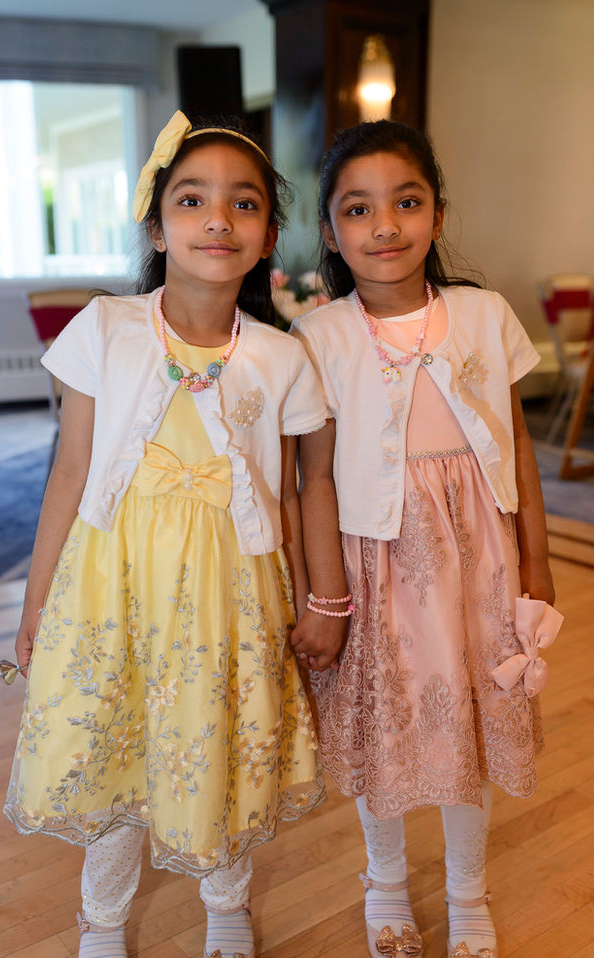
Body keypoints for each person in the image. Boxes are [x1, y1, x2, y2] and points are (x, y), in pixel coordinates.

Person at [3, 110, 348, 958]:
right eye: (192, 201)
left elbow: (299, 491)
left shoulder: (282, 357)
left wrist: (319, 599)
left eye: (243, 204)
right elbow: (72, 471)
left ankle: (227, 905)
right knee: (119, 748)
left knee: (219, 745)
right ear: (157, 226)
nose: (217, 220)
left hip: (234, 596)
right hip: (113, 586)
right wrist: (37, 597)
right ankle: (104, 919)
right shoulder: (107, 328)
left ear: (268, 233)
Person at [291, 120, 558, 958]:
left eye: (405, 202)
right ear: (331, 233)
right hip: (379, 563)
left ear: (436, 215)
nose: (385, 226)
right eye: (359, 210)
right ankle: (384, 887)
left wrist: (539, 563)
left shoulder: (482, 315)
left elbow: (515, 444)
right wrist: (327, 596)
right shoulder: (320, 336)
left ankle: (466, 891)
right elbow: (316, 477)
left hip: (479, 558)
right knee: (390, 728)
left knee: (468, 724)